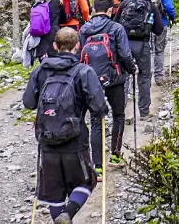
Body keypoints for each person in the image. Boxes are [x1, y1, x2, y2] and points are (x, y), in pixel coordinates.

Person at [23, 28, 108, 224]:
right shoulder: (84, 71)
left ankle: (61, 217)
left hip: (46, 140)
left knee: (54, 193)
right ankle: (68, 214)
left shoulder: (40, 70)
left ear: (55, 46)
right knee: (87, 181)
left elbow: (28, 103)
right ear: (78, 46)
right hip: (75, 140)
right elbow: (98, 107)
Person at [77, 0, 136, 179]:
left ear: (94, 9)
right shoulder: (116, 28)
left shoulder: (84, 29)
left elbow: (79, 54)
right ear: (111, 10)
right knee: (118, 115)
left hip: (90, 80)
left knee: (96, 120)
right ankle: (115, 156)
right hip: (114, 78)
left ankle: (97, 166)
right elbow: (125, 54)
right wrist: (132, 69)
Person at [116, 0, 165, 117]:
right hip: (143, 46)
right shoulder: (151, 6)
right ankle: (144, 112)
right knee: (144, 78)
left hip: (124, 46)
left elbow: (115, 24)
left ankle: (120, 112)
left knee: (124, 78)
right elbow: (158, 30)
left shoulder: (124, 4)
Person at [148, 0, 176, 85]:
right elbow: (168, 6)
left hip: (145, 23)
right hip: (161, 22)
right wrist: (172, 17)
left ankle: (146, 77)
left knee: (148, 50)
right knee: (159, 50)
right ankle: (158, 77)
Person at [31, 0, 65, 65]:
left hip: (40, 37)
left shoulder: (37, 3)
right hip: (54, 35)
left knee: (43, 64)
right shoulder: (57, 2)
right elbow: (63, 19)